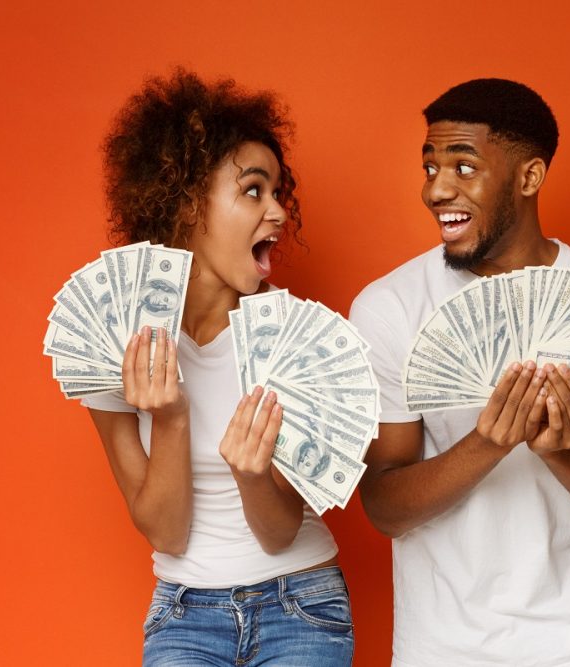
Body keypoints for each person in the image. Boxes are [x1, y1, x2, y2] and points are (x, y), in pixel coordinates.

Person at [349, 78, 570, 667]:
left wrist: (565, 453)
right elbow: (384, 509)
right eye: (429, 167)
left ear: (529, 177)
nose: (436, 189)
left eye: (464, 168)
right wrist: (488, 442)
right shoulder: (390, 305)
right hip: (439, 651)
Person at [82, 69, 353, 666]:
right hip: (184, 614)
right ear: (186, 205)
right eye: (253, 191)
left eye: (279, 193)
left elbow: (281, 533)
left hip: (301, 604)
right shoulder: (110, 340)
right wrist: (172, 417)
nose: (279, 213)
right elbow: (165, 533)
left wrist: (253, 476)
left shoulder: (291, 344)